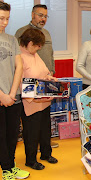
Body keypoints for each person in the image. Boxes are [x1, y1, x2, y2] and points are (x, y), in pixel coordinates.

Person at [0, 1, 29, 180]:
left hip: (13, 94)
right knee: (0, 134)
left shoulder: (11, 39)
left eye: (7, 18)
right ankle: (6, 170)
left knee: (13, 134)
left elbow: (19, 66)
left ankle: (11, 165)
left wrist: (11, 93)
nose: (5, 22)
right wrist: (1, 95)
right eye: (2, 18)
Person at [15, 4, 58, 148]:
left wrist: (51, 71)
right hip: (29, 80)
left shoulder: (47, 33)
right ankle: (34, 149)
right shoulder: (22, 32)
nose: (43, 19)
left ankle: (45, 146)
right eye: (40, 15)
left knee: (44, 119)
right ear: (32, 14)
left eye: (46, 16)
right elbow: (16, 58)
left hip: (45, 76)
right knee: (32, 121)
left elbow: (50, 54)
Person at [19, 28, 58, 170]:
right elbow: (20, 81)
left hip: (43, 101)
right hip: (31, 102)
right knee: (31, 133)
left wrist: (50, 78)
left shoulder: (34, 55)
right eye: (37, 46)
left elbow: (44, 72)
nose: (39, 48)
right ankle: (30, 160)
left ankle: (46, 154)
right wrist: (32, 98)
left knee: (45, 130)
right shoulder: (21, 56)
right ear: (30, 43)